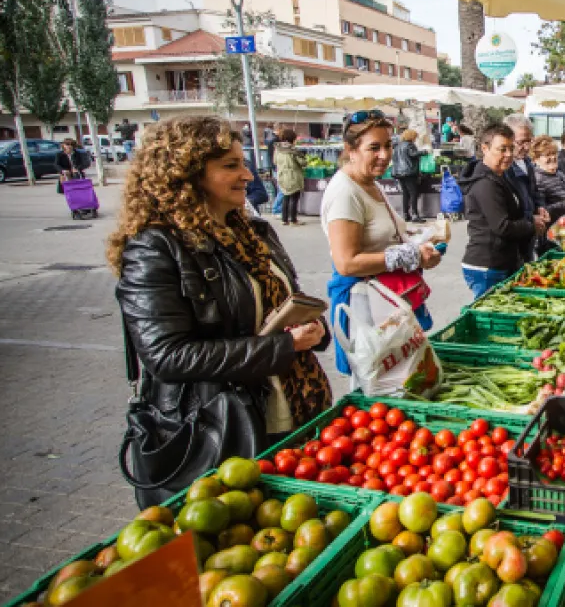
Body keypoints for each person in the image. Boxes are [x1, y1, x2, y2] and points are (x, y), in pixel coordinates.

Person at [110, 115, 331, 504]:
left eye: (243, 162)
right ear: (186, 174)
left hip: (291, 407)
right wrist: (282, 348)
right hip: (223, 425)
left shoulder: (252, 230)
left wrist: (311, 326)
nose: (247, 174)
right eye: (230, 166)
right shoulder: (154, 248)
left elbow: (282, 300)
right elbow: (167, 355)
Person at [322, 110, 442, 377]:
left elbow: (385, 237)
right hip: (365, 306)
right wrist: (410, 256)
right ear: (350, 150)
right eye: (373, 148)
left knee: (397, 378)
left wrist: (419, 243)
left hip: (385, 303)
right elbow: (346, 262)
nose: (384, 155)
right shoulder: (345, 192)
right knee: (376, 382)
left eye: (388, 145)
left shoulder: (369, 183)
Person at [458, 124, 548, 298]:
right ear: (485, 148)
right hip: (487, 265)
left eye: (510, 148)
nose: (508, 155)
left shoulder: (499, 176)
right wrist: (531, 225)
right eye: (502, 149)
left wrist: (533, 216)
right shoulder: (485, 183)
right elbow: (502, 226)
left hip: (502, 261)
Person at [502, 114, 547, 263]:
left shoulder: (527, 162)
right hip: (511, 244)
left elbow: (534, 192)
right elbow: (508, 209)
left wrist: (540, 207)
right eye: (521, 142)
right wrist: (530, 219)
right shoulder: (503, 168)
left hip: (528, 237)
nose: (527, 147)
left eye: (529, 141)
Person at [531, 135, 565, 226]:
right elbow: (541, 211)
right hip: (554, 228)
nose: (553, 157)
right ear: (536, 159)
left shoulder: (559, 173)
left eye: (554, 153)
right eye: (547, 155)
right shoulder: (538, 179)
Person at [393, 129, 428, 222]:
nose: (415, 139)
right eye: (415, 137)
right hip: (409, 172)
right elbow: (412, 154)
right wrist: (424, 152)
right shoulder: (409, 145)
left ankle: (405, 214)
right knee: (413, 193)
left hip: (399, 173)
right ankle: (415, 215)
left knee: (405, 194)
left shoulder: (397, 146)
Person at [273, 129, 306, 225]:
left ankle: (284, 219)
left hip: (282, 176)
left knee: (285, 197)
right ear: (292, 139)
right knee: (294, 198)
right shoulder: (292, 150)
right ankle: (293, 220)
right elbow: (302, 162)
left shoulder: (277, 149)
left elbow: (275, 161)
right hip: (293, 176)